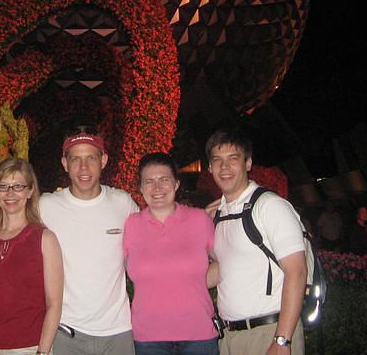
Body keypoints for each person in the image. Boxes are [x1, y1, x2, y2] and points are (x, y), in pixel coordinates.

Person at [205, 128, 307, 355]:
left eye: (233, 159)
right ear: (209, 168)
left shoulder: (269, 206)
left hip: (269, 333)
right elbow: (220, 270)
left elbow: (297, 272)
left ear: (248, 163)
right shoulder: (219, 215)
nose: (224, 168)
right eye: (217, 161)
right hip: (230, 337)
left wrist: (282, 340)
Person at [39, 126, 139, 355]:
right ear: (65, 163)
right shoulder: (46, 206)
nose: (83, 168)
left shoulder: (122, 203)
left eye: (91, 158)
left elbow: (153, 237)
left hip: (118, 331)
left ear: (103, 160)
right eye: (76, 159)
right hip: (66, 330)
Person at [123, 152, 218, 355]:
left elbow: (223, 262)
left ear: (176, 184)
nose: (157, 188)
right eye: (149, 181)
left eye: (164, 180)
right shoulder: (131, 225)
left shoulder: (200, 220)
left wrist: (194, 282)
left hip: (198, 335)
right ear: (140, 188)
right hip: (149, 338)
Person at [0, 157, 63, 354]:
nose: (10, 193)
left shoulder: (44, 238)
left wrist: (42, 351)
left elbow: (54, 303)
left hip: (28, 347)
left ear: (30, 191)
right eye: (3, 186)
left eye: (18, 186)